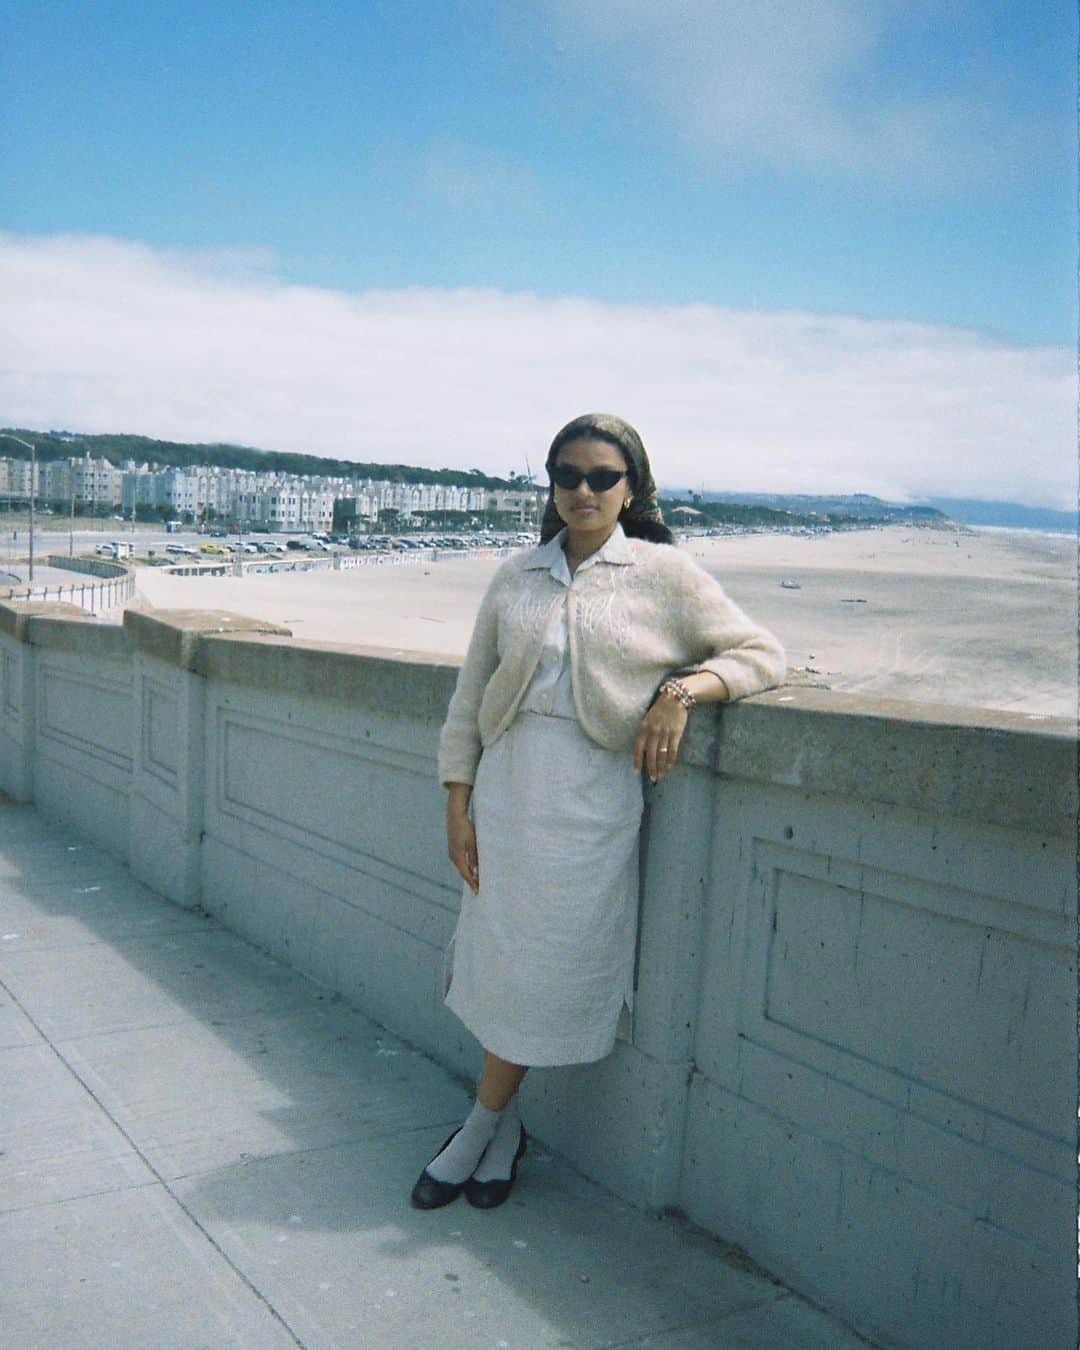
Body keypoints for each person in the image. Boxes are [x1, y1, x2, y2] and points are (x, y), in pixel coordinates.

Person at [411, 413, 785, 1210]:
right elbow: (468, 698)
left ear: (632, 489)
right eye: (567, 475)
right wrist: (456, 803)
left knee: (547, 969)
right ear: (550, 484)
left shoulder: (665, 575)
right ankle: (499, 1128)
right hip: (506, 793)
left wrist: (680, 694)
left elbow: (760, 655)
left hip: (588, 805)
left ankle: (480, 1126)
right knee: (498, 963)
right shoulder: (515, 575)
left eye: (601, 477)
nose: (582, 490)